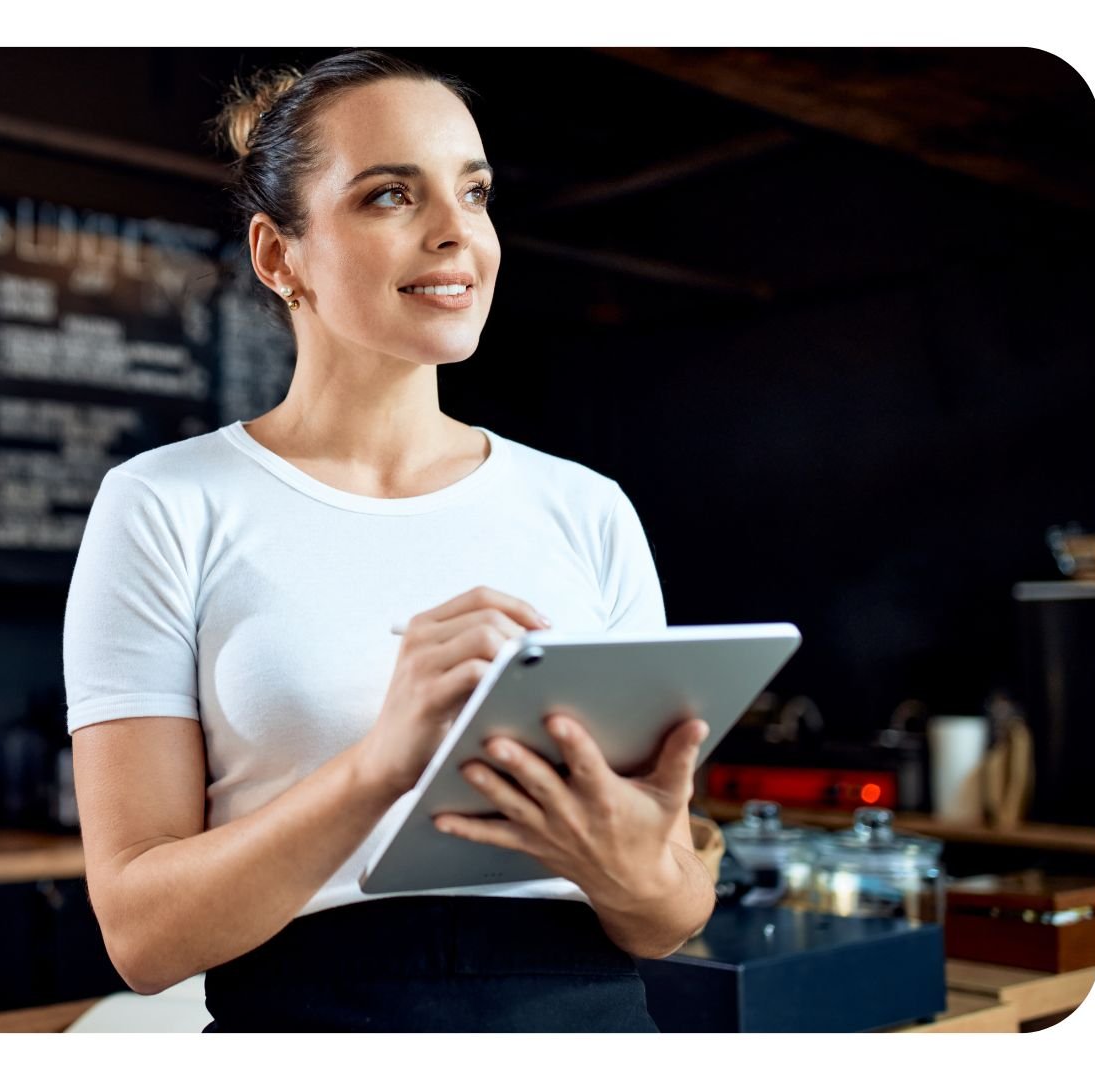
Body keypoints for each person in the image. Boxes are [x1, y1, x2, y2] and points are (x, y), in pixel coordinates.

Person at [61, 51, 715, 1032]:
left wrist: (633, 873)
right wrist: (381, 765)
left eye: (476, 192)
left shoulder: (588, 508)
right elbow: (142, 938)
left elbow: (667, 919)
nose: (457, 233)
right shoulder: (164, 504)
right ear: (280, 257)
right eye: (390, 196)